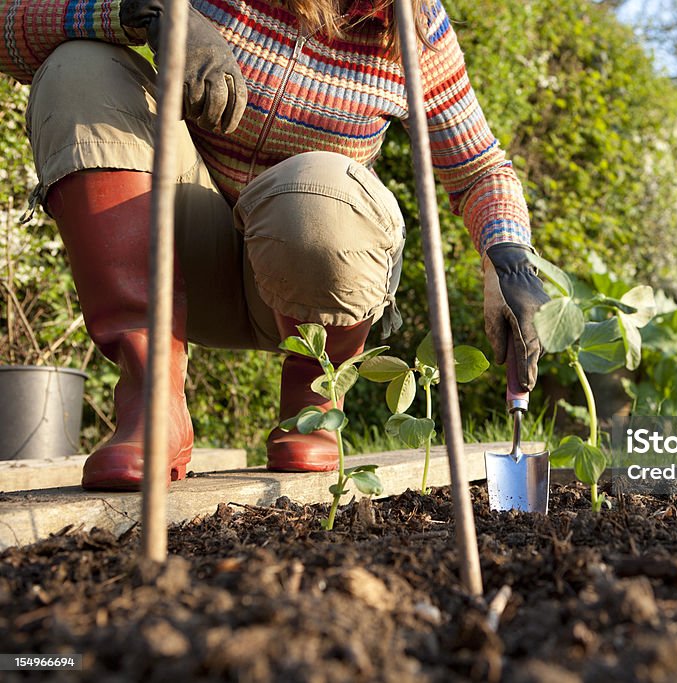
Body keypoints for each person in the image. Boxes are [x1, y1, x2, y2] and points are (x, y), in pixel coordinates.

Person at [0, 0, 548, 490]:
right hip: (176, 261)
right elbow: (10, 25)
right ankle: (152, 400)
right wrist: (136, 12)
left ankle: (313, 401)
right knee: (79, 69)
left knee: (321, 185)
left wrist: (508, 258)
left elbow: (479, 171)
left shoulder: (411, 30)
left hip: (310, 289)